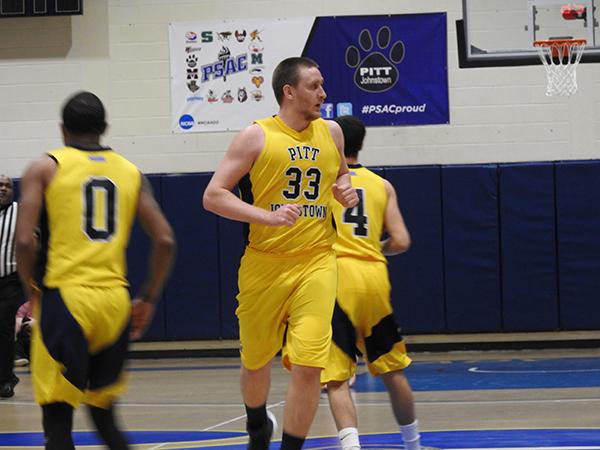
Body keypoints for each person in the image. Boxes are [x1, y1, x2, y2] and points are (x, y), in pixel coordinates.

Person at [203, 57, 358, 450]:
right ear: (289, 91)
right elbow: (213, 195)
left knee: (309, 366)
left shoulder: (333, 132)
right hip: (264, 264)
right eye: (314, 86)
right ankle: (258, 425)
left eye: (323, 85)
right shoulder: (256, 136)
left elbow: (340, 172)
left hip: (317, 261)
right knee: (256, 363)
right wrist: (265, 217)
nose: (323, 93)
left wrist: (346, 187)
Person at [15, 91, 176, 450]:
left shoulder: (45, 167)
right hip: (115, 303)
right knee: (105, 418)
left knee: (58, 423)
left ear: (62, 129)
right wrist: (148, 299)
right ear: (104, 128)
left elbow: (25, 241)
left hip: (66, 299)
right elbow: (165, 240)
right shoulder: (130, 172)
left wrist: (32, 294)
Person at [321, 115, 426, 450]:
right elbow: (402, 240)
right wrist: (372, 247)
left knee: (337, 378)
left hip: (335, 279)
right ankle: (412, 444)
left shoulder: (324, 182)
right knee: (393, 372)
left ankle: (352, 447)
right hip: (374, 278)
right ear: (361, 144)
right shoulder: (383, 185)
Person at [0, 175, 25, 398]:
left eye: (8, 186)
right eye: (0, 185)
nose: (3, 188)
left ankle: (6, 379)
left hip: (9, 279)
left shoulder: (21, 211)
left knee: (5, 328)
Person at [14, 299, 33, 366]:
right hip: (26, 335)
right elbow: (18, 321)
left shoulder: (48, 305)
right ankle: (19, 356)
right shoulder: (25, 306)